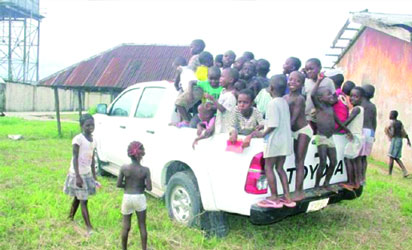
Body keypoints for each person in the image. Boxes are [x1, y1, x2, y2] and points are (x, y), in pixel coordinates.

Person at [254, 75, 295, 208]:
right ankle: (288, 197)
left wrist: (262, 133)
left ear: (270, 88)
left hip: (274, 140)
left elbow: (273, 124)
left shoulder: (271, 103)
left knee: (268, 167)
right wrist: (263, 123)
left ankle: (274, 197)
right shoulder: (283, 102)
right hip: (285, 140)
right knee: (280, 168)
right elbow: (277, 120)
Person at [311, 73, 351, 190]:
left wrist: (348, 130)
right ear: (320, 99)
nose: (332, 96)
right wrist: (319, 80)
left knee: (333, 162)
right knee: (323, 163)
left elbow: (339, 121)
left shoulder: (330, 109)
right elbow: (313, 94)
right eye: (328, 95)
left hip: (330, 138)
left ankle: (326, 183)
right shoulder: (320, 107)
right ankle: (317, 185)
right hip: (321, 137)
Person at [64, 114, 98, 235]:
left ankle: (70, 217)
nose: (90, 127)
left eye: (92, 125)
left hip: (87, 173)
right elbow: (75, 157)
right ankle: (89, 227)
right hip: (77, 174)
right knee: (83, 200)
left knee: (78, 198)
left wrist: (94, 176)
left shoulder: (94, 140)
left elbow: (92, 158)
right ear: (81, 126)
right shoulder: (78, 139)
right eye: (87, 125)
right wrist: (78, 176)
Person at [284, 71, 313, 201]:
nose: (292, 83)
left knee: (299, 161)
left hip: (302, 130)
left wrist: (283, 132)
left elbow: (294, 119)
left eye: (297, 81)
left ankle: (298, 191)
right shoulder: (284, 98)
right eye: (290, 79)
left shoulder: (300, 99)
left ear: (301, 84)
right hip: (291, 131)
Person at [117, 141, 152, 250]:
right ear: (141, 154)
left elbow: (118, 184)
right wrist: (142, 185)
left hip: (127, 197)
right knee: (142, 225)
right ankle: (144, 248)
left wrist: (128, 185)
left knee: (125, 226)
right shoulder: (145, 170)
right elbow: (149, 188)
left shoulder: (124, 168)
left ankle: (124, 248)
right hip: (139, 197)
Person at [340, 87, 365, 190]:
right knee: (353, 160)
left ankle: (351, 182)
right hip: (356, 136)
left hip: (354, 136)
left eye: (356, 96)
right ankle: (356, 182)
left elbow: (348, 121)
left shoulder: (356, 109)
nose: (352, 98)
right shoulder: (358, 109)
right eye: (351, 96)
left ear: (361, 98)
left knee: (348, 159)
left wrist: (339, 127)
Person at [302, 58, 335, 133]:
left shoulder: (328, 82)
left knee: (321, 137)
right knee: (311, 135)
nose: (309, 71)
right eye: (307, 70)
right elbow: (304, 97)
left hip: (323, 115)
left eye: (311, 69)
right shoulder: (306, 82)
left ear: (319, 68)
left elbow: (334, 98)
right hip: (309, 115)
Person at [206, 68, 238, 133]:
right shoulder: (223, 91)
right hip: (220, 122)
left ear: (231, 80)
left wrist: (212, 99)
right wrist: (212, 106)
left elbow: (223, 109)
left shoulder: (231, 95)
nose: (219, 78)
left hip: (227, 126)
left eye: (222, 76)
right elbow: (220, 104)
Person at [385, 110, 411, 177]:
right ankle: (404, 171)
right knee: (395, 157)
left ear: (392, 115)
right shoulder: (400, 122)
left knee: (392, 156)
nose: (389, 115)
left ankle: (390, 173)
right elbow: (403, 131)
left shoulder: (392, 123)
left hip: (395, 140)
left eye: (390, 114)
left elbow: (393, 133)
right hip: (400, 140)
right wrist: (408, 140)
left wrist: (388, 131)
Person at [360, 84, 377, 183]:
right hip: (370, 132)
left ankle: (357, 177)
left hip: (361, 131)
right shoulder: (373, 106)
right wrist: (373, 134)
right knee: (364, 157)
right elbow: (374, 121)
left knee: (358, 156)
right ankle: (363, 177)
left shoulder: (360, 105)